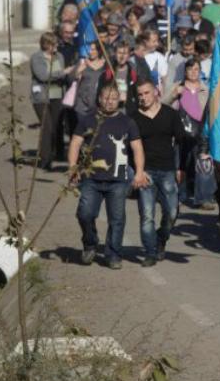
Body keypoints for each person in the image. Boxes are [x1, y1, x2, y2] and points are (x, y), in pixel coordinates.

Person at [68, 84, 149, 269]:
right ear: (99, 99)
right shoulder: (88, 120)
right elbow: (75, 143)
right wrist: (73, 168)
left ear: (119, 99)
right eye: (106, 98)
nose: (109, 102)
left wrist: (139, 172)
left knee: (117, 219)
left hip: (118, 180)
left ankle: (113, 254)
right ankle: (90, 243)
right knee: (85, 213)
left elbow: (137, 148)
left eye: (113, 98)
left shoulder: (127, 122)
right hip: (91, 178)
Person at [131, 80, 186, 267]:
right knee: (147, 215)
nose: (143, 97)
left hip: (168, 170)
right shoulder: (134, 118)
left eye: (146, 93)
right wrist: (136, 172)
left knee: (171, 212)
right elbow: (129, 149)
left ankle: (161, 237)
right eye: (139, 94)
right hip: (146, 172)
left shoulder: (170, 114)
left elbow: (181, 141)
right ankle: (150, 252)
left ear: (156, 92)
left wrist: (181, 167)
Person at [169, 58, 211, 210]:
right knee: (180, 165)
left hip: (199, 132)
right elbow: (164, 104)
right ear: (185, 71)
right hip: (180, 133)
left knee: (201, 164)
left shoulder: (206, 89)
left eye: (196, 69)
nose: (193, 72)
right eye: (190, 69)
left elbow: (210, 111)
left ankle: (203, 198)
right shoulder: (177, 87)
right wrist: (174, 94)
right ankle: (179, 195)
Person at [31, 32, 68, 170]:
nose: (57, 46)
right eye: (54, 44)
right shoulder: (36, 58)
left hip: (56, 94)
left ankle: (56, 152)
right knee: (47, 126)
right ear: (46, 45)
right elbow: (43, 76)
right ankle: (45, 159)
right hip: (41, 96)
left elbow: (59, 77)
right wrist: (62, 73)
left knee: (57, 125)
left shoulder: (59, 57)